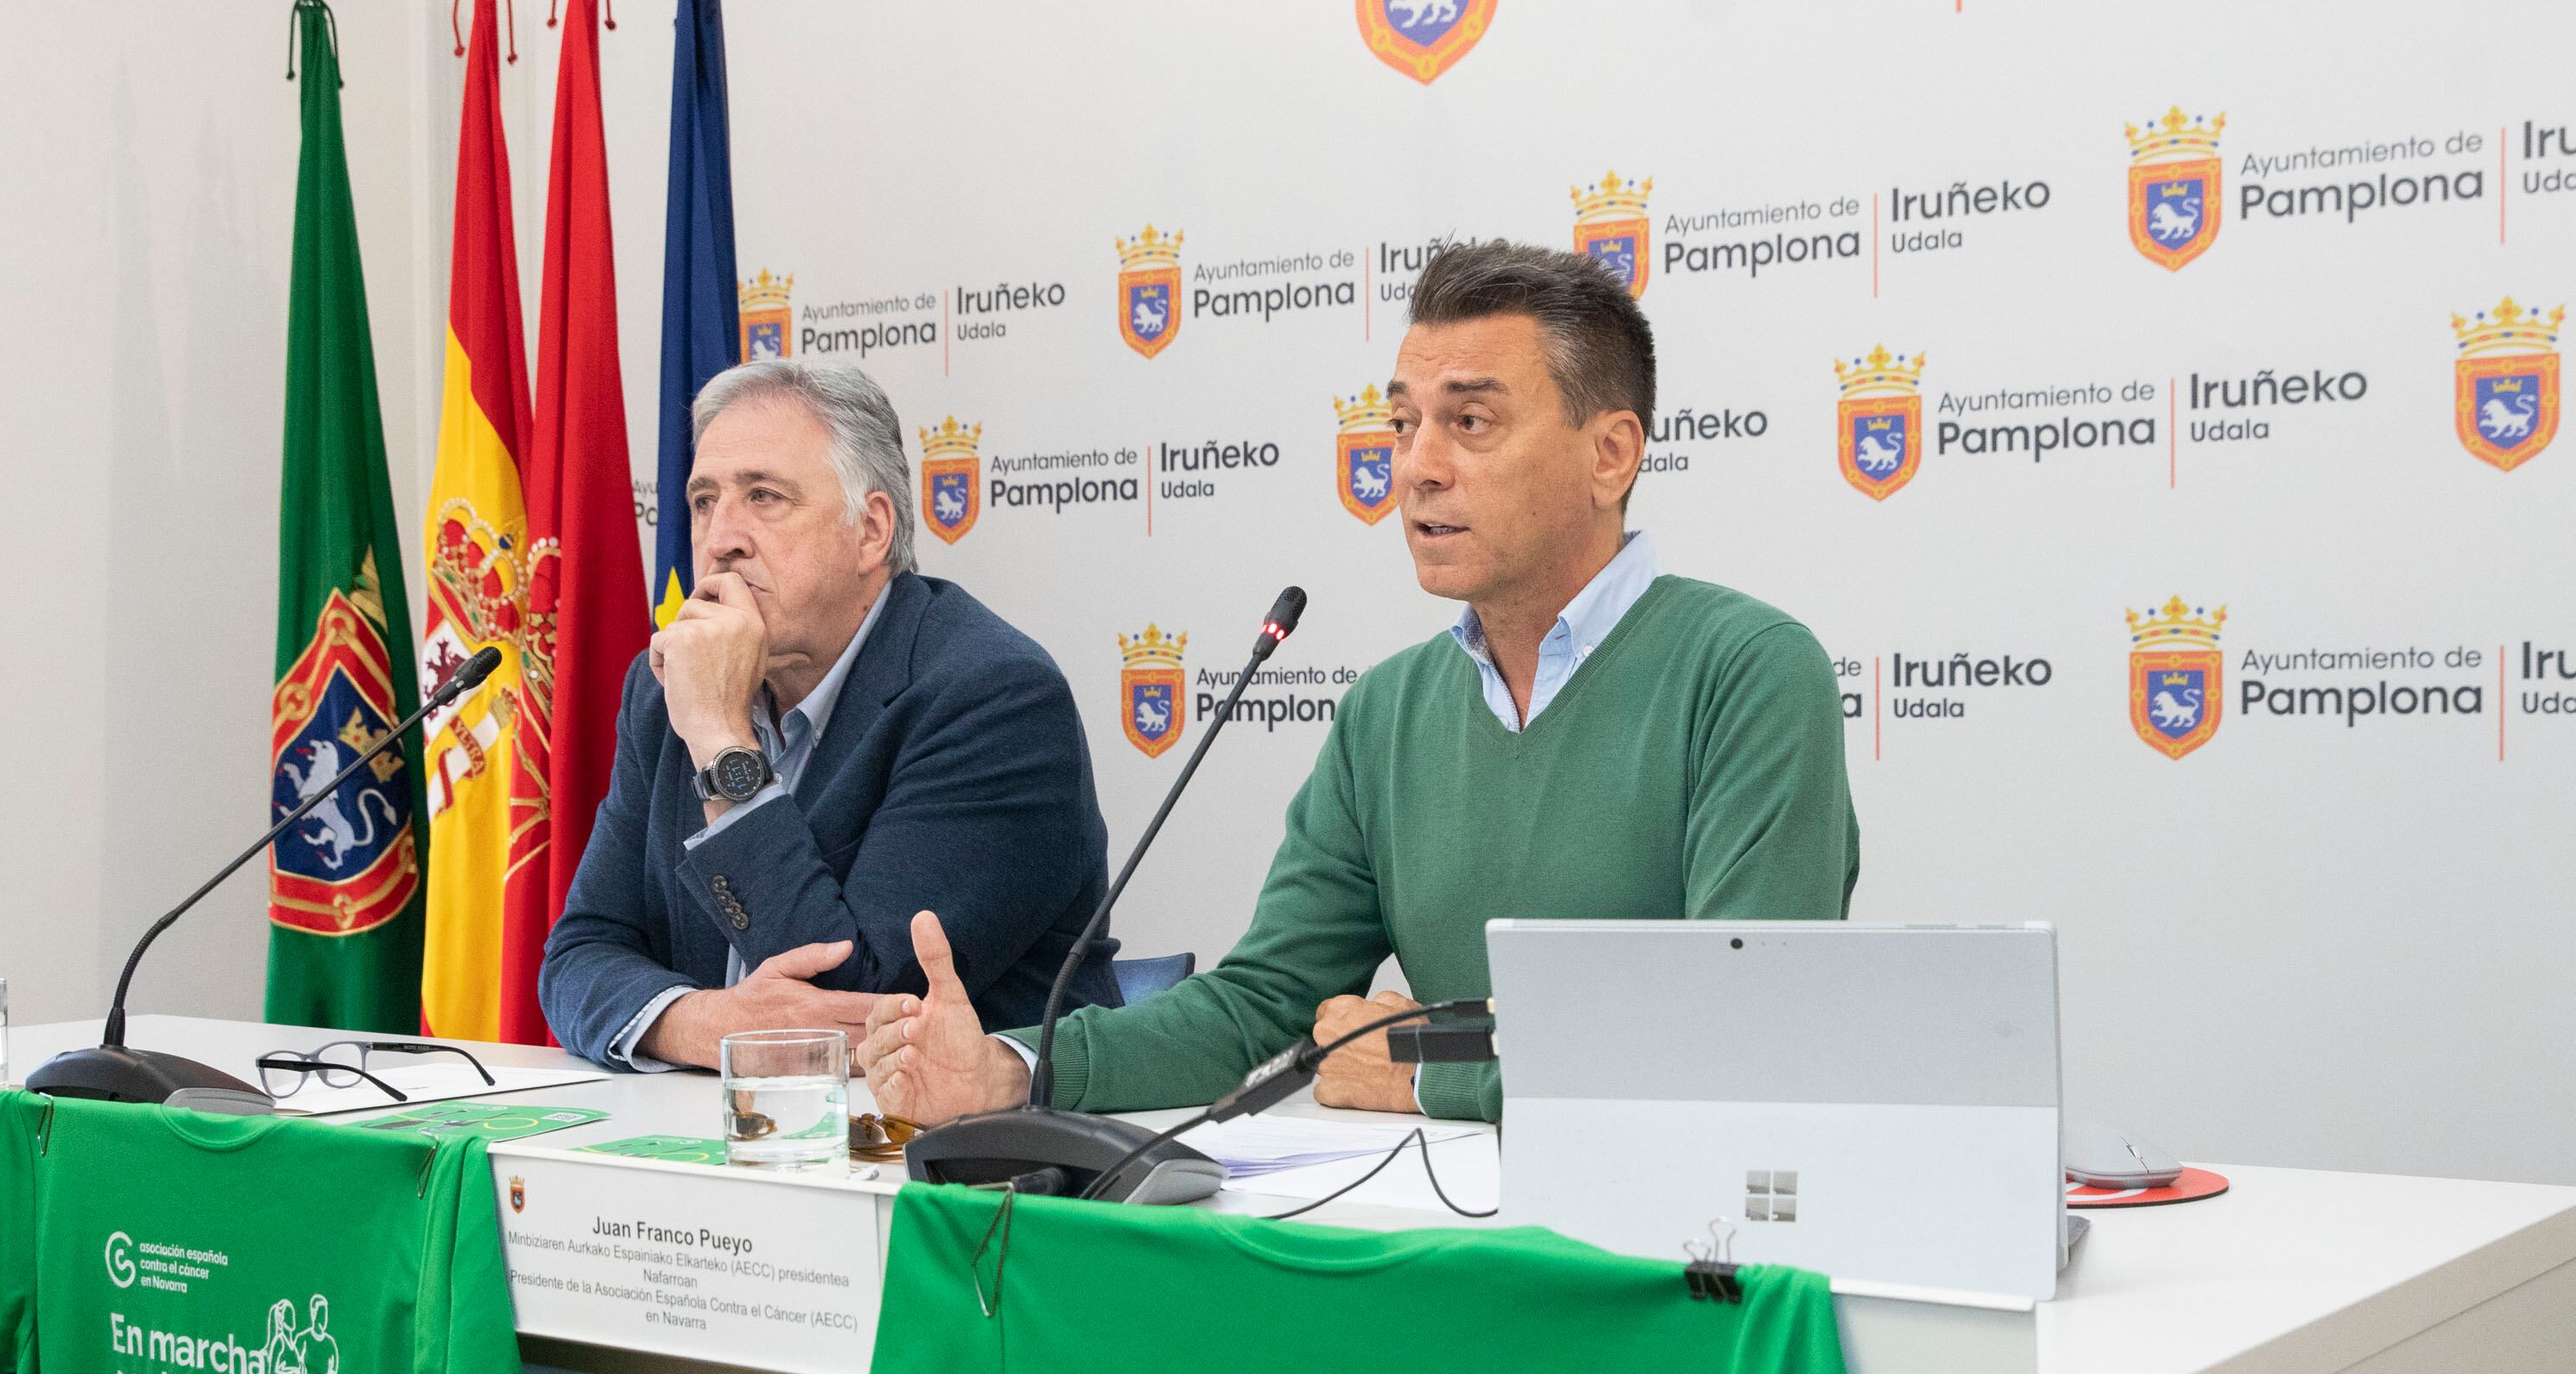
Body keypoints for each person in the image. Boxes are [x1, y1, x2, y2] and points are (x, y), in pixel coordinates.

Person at [861, 238, 1856, 1123]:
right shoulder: (1388, 709)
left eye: (1470, 423)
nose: (1416, 467)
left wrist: (1424, 1068)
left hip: (1671, 1259)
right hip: (1439, 1240)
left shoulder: (1749, 672)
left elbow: (1741, 1035)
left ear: (1609, 455)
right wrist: (1009, 1068)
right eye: (1402, 424)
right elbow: (1263, 1008)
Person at [542, 360, 1119, 1069]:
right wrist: (711, 1026)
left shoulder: (992, 697)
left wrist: (723, 742)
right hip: (715, 1139)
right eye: (702, 501)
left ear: (871, 530)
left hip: (940, 1155)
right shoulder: (665, 690)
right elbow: (578, 954)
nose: (721, 537)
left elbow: (856, 1000)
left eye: (764, 497)